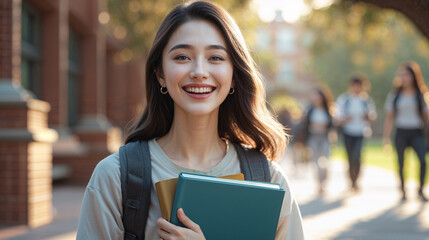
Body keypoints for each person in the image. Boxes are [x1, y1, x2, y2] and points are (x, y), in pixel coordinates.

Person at [76, 1, 305, 240]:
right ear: (160, 74)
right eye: (182, 57)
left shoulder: (269, 180)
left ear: (235, 76)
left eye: (215, 57)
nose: (199, 71)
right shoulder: (114, 178)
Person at [383, 61, 428, 201]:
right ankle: (403, 190)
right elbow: (389, 118)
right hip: (401, 131)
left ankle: (420, 190)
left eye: (406, 74)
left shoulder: (420, 95)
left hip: (417, 131)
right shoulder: (395, 95)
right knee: (401, 161)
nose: (403, 77)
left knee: (422, 160)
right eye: (401, 75)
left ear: (414, 76)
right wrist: (386, 138)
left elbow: (426, 117)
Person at [336, 74, 377, 192]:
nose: (357, 88)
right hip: (348, 132)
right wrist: (346, 118)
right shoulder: (345, 100)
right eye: (355, 86)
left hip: (361, 132)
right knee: (350, 158)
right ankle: (351, 181)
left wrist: (367, 117)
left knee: (357, 156)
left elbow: (372, 117)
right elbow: (338, 118)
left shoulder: (366, 101)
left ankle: (356, 180)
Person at [297, 88, 334, 195]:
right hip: (313, 137)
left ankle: (324, 181)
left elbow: (332, 125)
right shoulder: (310, 110)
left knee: (326, 161)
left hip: (325, 138)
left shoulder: (328, 110)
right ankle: (320, 185)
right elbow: (304, 125)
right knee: (316, 162)